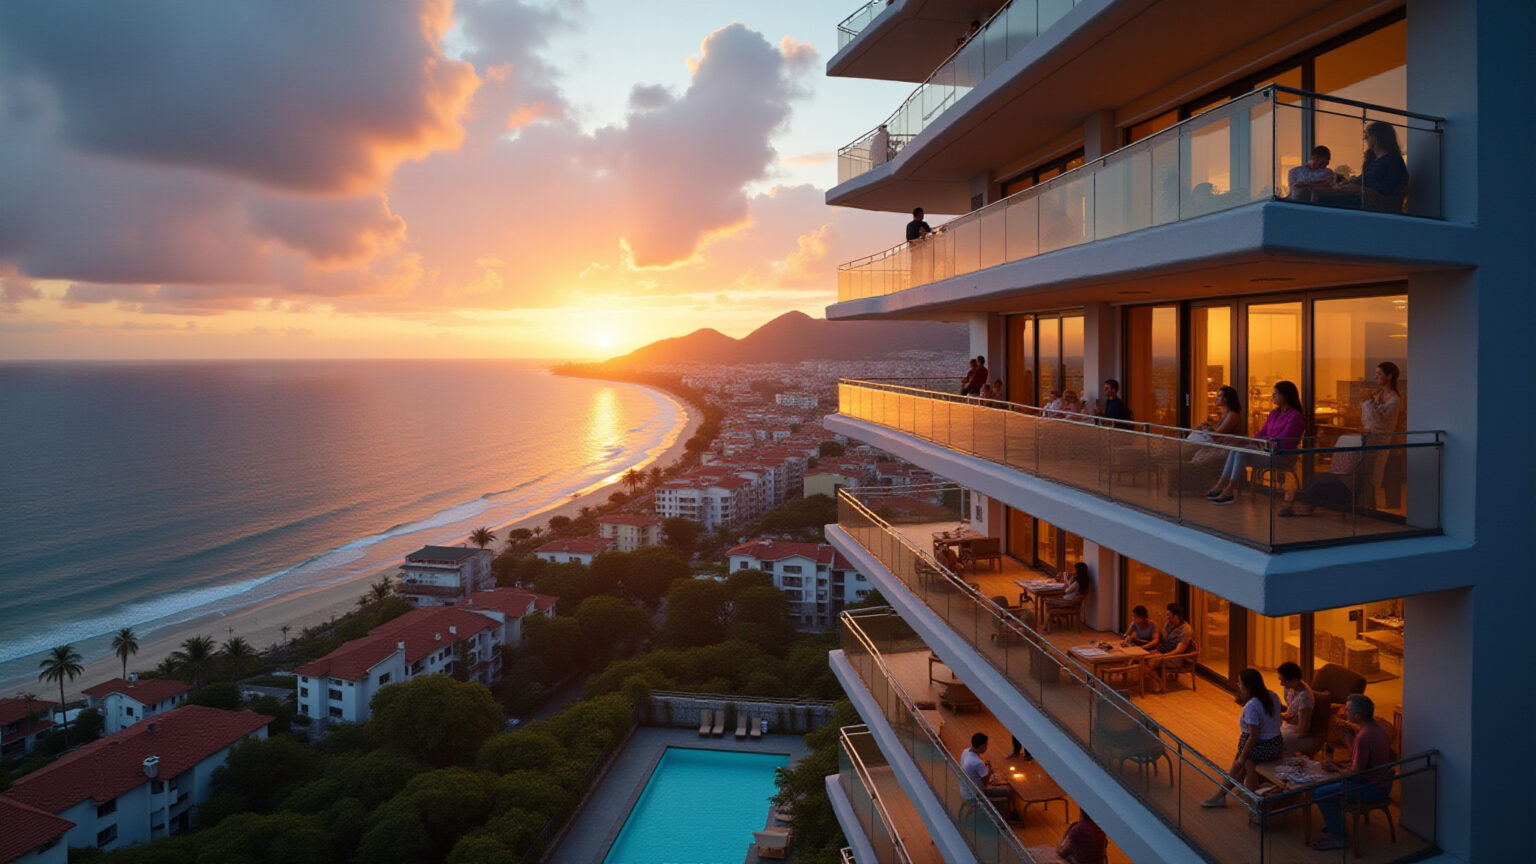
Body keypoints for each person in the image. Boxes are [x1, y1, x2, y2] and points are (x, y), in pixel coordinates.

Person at [1311, 694, 1395, 851]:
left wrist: (1335, 768)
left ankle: (1340, 837)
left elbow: (1354, 773)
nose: (1344, 713)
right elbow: (1359, 761)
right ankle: (1334, 823)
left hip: (1371, 789)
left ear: (1357, 715)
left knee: (1320, 794)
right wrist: (1337, 760)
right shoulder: (1377, 728)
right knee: (1326, 782)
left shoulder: (1363, 737)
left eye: (1347, 710)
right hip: (1380, 782)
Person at [1205, 380, 1305, 505]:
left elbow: (1284, 441)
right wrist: (1255, 443)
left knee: (1241, 453)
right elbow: (1262, 433)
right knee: (1237, 449)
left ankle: (1229, 490)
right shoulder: (1274, 413)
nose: (1273, 396)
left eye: (1276, 394)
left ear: (1286, 396)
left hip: (1281, 455)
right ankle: (1221, 486)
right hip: (1266, 451)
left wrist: (1259, 444)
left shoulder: (1295, 417)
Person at [1202, 668, 1284, 807]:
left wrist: (1242, 757)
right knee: (1242, 763)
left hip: (1261, 746)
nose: (1238, 685)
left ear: (1248, 686)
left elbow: (1254, 736)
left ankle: (1222, 796)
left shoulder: (1252, 706)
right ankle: (1233, 791)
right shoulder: (1273, 696)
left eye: (1239, 682)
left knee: (1239, 764)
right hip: (1276, 743)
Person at [1330, 121, 1410, 212]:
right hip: (1362, 201)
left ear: (1376, 137)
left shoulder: (1393, 160)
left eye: (1367, 135)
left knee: (1323, 199)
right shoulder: (1372, 161)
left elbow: (1388, 190)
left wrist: (1360, 189)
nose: (1364, 138)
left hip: (1371, 206)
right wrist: (1349, 183)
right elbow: (1362, 180)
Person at [1359, 361, 1403, 499]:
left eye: (1379, 374)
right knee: (1365, 472)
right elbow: (1366, 420)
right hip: (1369, 439)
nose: (1376, 377)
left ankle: (1370, 504)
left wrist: (1368, 403)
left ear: (1389, 377)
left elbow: (1381, 422)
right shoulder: (1378, 396)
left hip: (1381, 442)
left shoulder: (1395, 400)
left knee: (1375, 473)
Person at [959, 732, 1016, 819]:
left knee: (1008, 791)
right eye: (986, 745)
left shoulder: (965, 752)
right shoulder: (977, 762)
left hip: (966, 791)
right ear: (982, 746)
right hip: (976, 795)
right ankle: (1005, 818)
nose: (987, 747)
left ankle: (1010, 812)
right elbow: (986, 783)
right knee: (1007, 795)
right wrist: (990, 770)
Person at [1142, 603, 1194, 692]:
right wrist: (1156, 650)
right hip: (1164, 651)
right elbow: (1164, 640)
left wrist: (1163, 656)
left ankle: (1160, 682)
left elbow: (1179, 650)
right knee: (1141, 658)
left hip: (1175, 658)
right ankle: (1158, 680)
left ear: (1176, 616)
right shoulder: (1169, 624)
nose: (1166, 617)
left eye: (1168, 615)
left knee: (1149, 663)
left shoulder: (1185, 630)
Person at [1277, 661, 1317, 754]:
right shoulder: (1290, 688)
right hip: (1290, 726)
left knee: (1273, 742)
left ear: (1294, 680)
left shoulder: (1305, 697)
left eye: (1283, 680)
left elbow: (1302, 731)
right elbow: (1290, 711)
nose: (1281, 684)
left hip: (1301, 733)